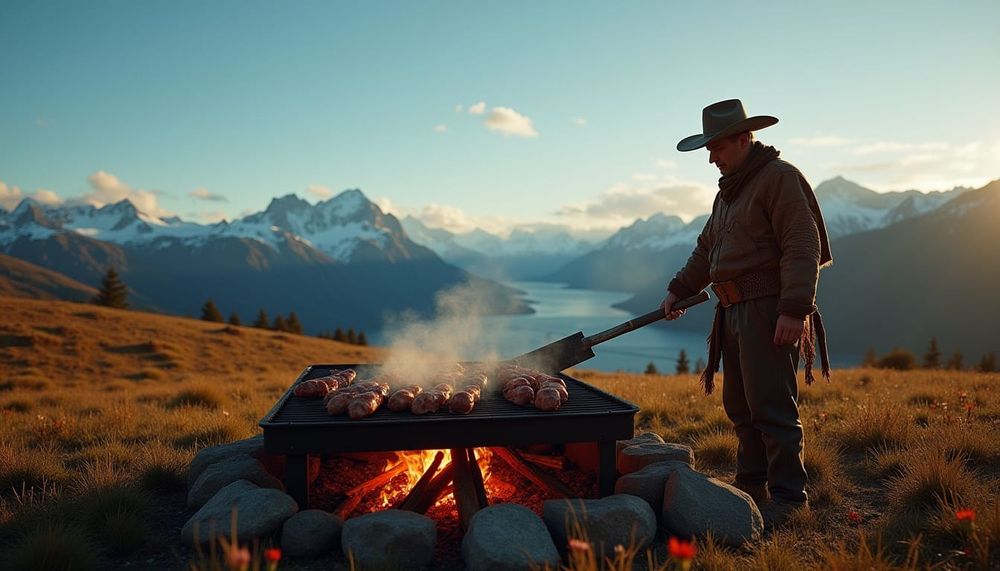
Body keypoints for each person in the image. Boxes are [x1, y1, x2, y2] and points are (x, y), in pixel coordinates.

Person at [662, 99, 832, 527]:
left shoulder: (779, 178)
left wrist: (794, 309)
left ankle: (790, 500)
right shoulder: (730, 192)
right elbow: (707, 249)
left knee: (772, 407)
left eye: (717, 148)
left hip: (768, 309)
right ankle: (751, 486)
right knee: (740, 406)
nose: (711, 158)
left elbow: (802, 244)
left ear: (743, 139)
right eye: (709, 150)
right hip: (734, 310)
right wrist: (680, 288)